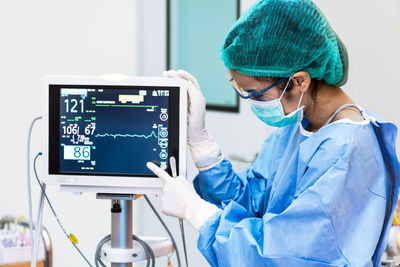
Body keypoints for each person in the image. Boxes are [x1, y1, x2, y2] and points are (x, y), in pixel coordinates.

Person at [147, 0, 400, 266]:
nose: (252, 102)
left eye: (256, 94)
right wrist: (202, 144)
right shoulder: (298, 126)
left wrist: (197, 212)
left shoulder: (346, 151)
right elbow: (250, 203)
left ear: (300, 80)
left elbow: (290, 256)